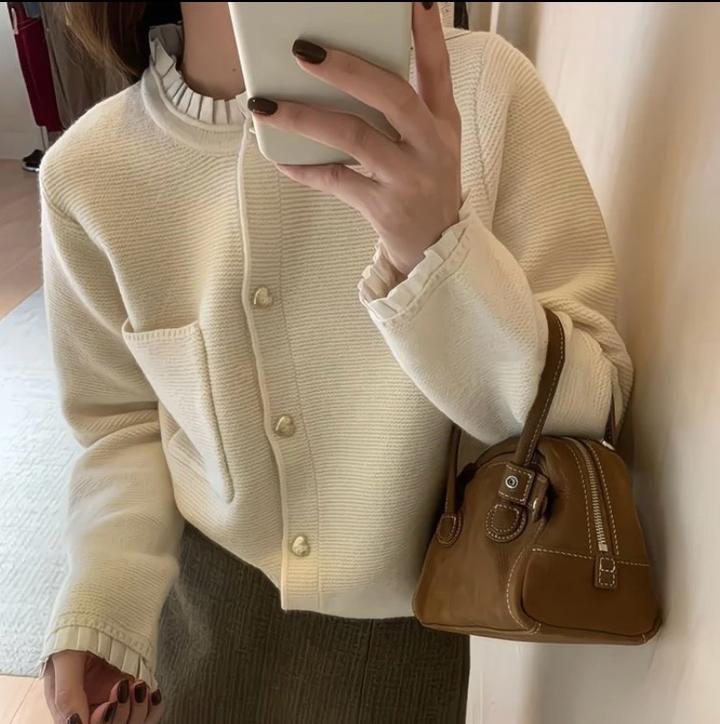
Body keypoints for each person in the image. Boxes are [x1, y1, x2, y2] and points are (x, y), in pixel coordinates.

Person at [38, 2, 633, 723]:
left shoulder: (480, 92)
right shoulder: (89, 171)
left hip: (408, 627)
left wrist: (439, 249)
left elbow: (591, 408)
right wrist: (102, 609)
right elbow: (124, 428)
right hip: (197, 614)